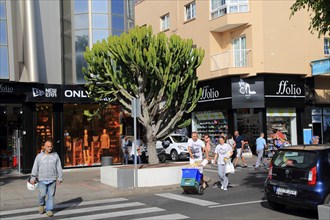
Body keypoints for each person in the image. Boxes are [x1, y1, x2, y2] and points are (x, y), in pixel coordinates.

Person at [30, 140, 63, 217]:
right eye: (48, 146)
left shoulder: (55, 155)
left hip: (52, 179)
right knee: (42, 194)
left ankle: (49, 210)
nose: (50, 148)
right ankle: (41, 205)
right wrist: (33, 177)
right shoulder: (39, 156)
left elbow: (59, 167)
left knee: (51, 195)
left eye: (51, 146)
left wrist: (60, 177)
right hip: (42, 179)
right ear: (44, 147)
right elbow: (35, 167)